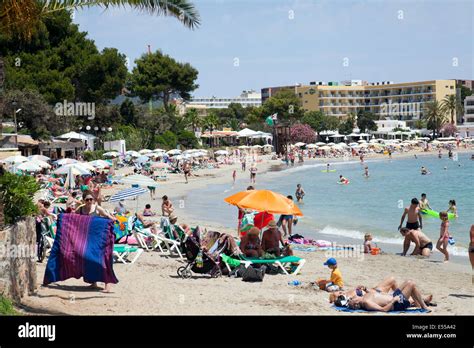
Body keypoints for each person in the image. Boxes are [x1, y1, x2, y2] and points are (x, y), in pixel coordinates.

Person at [76, 192, 116, 293]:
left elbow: (107, 216)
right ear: (83, 200)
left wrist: (113, 219)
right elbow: (73, 218)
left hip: (99, 238)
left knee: (103, 260)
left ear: (93, 200)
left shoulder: (97, 208)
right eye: (87, 199)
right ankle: (93, 282)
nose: (89, 201)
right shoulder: (80, 209)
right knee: (89, 260)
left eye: (91, 199)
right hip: (87, 239)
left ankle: (108, 286)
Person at [347, 280, 430, 312]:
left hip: (393, 296)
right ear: (355, 303)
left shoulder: (363, 297)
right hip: (397, 303)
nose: (351, 297)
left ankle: (420, 303)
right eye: (351, 299)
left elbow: (374, 294)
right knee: (411, 284)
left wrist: (365, 288)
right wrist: (394, 300)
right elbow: (383, 310)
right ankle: (424, 306)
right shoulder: (366, 302)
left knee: (408, 282)